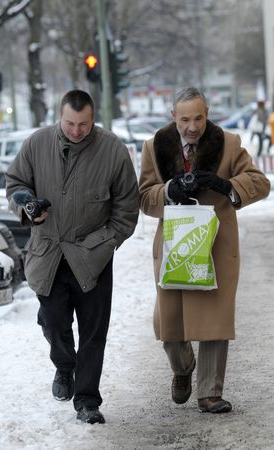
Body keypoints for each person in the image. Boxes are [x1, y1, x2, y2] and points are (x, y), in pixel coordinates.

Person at [6, 89, 139, 424]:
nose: (77, 130)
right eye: (70, 123)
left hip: (92, 258)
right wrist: (27, 206)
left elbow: (126, 209)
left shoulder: (113, 150)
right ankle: (65, 367)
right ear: (59, 116)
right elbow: (15, 185)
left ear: (93, 119)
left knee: (94, 332)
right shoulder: (37, 144)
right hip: (48, 256)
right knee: (53, 323)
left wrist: (105, 244)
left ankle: (88, 401)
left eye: (84, 124)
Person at [139, 87, 270, 414]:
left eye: (199, 117)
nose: (193, 126)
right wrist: (169, 191)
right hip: (175, 244)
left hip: (216, 245)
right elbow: (143, 197)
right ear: (174, 117)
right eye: (185, 119)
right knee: (168, 325)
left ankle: (210, 393)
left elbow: (260, 182)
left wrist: (227, 185)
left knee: (213, 320)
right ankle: (182, 368)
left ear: (207, 113)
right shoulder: (153, 147)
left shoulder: (228, 144)